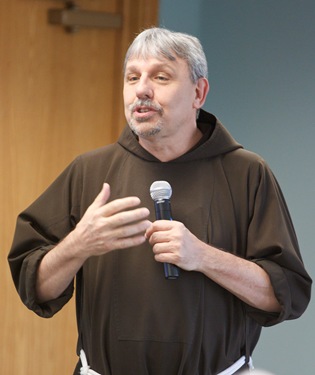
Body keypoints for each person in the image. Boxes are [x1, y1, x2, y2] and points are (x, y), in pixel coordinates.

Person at [8, 27, 311, 375]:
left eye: (161, 77)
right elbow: (35, 288)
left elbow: (286, 295)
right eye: (132, 77)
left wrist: (203, 257)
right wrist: (78, 245)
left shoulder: (247, 174)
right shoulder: (89, 171)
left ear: (199, 92)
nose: (141, 90)